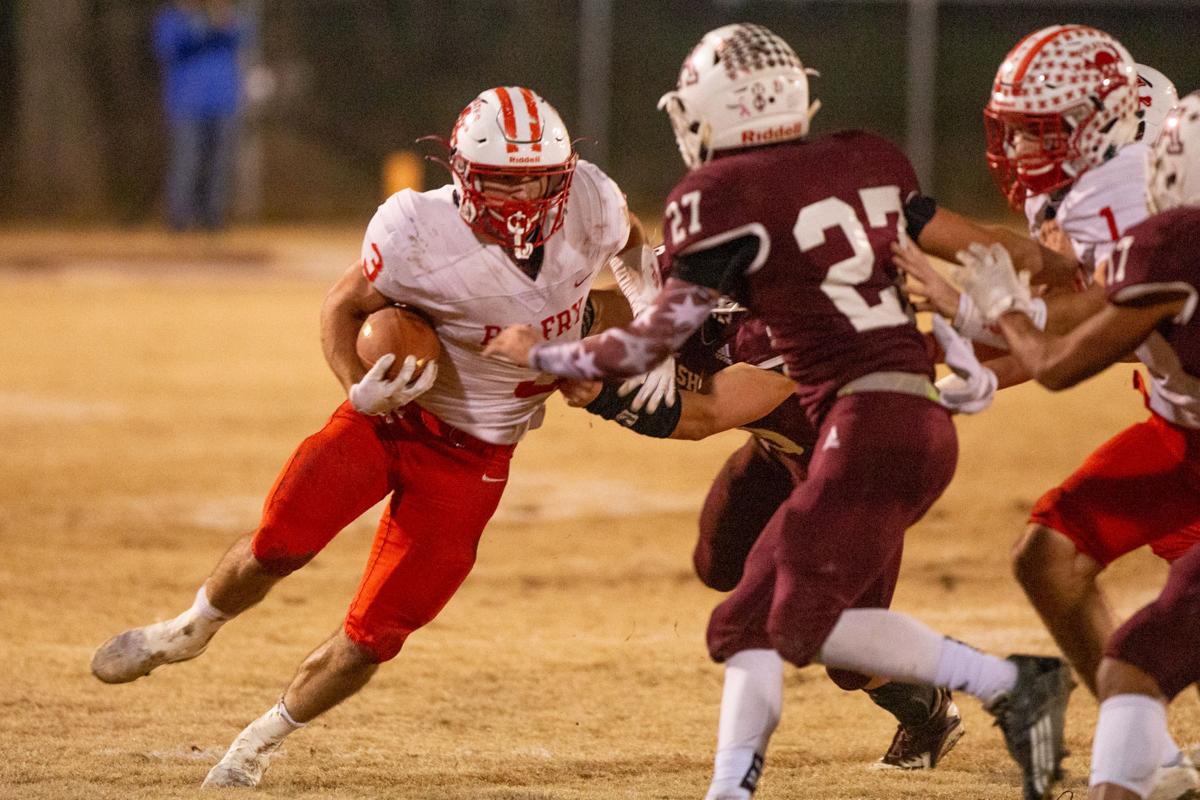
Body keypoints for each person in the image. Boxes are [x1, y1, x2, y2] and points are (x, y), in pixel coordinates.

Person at [484, 24, 1075, 800]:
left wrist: (554, 363)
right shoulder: (853, 166)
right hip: (840, 437)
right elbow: (966, 241)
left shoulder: (734, 236)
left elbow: (705, 407)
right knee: (725, 575)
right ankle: (995, 688)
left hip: (862, 432)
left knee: (795, 638)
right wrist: (1065, 268)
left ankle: (995, 687)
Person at [89, 85, 665, 788]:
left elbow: (636, 249)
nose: (526, 198)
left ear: (565, 173)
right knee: (279, 542)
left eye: (541, 180)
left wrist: (650, 322)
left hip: (478, 454)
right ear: (463, 176)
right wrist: (351, 388)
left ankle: (256, 745)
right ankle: (187, 630)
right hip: (392, 418)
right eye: (505, 182)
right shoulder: (414, 230)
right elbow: (343, 304)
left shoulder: (591, 203)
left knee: (376, 635)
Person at [897, 29, 1198, 799]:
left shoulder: (1135, 200)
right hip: (1180, 423)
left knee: (1152, 645)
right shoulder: (1097, 191)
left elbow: (1073, 333)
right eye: (1017, 127)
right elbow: (1084, 318)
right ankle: (1151, 761)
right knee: (1049, 556)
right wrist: (973, 360)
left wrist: (968, 312)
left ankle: (1135, 763)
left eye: (1042, 127)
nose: (1023, 145)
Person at [565, 248, 997, 776]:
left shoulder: (789, 326)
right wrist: (565, 319)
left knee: (837, 648)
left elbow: (707, 412)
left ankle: (929, 707)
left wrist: (604, 396)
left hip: (851, 473)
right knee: (717, 562)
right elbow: (620, 307)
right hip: (783, 449)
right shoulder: (699, 264)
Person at [152, 0, 247, 231]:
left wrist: (221, 19)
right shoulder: (171, 18)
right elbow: (169, 46)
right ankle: (180, 220)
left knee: (219, 165)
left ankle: (212, 219)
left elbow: (243, 34)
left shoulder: (226, 15)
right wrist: (202, 27)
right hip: (187, 103)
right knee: (187, 162)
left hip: (223, 101)